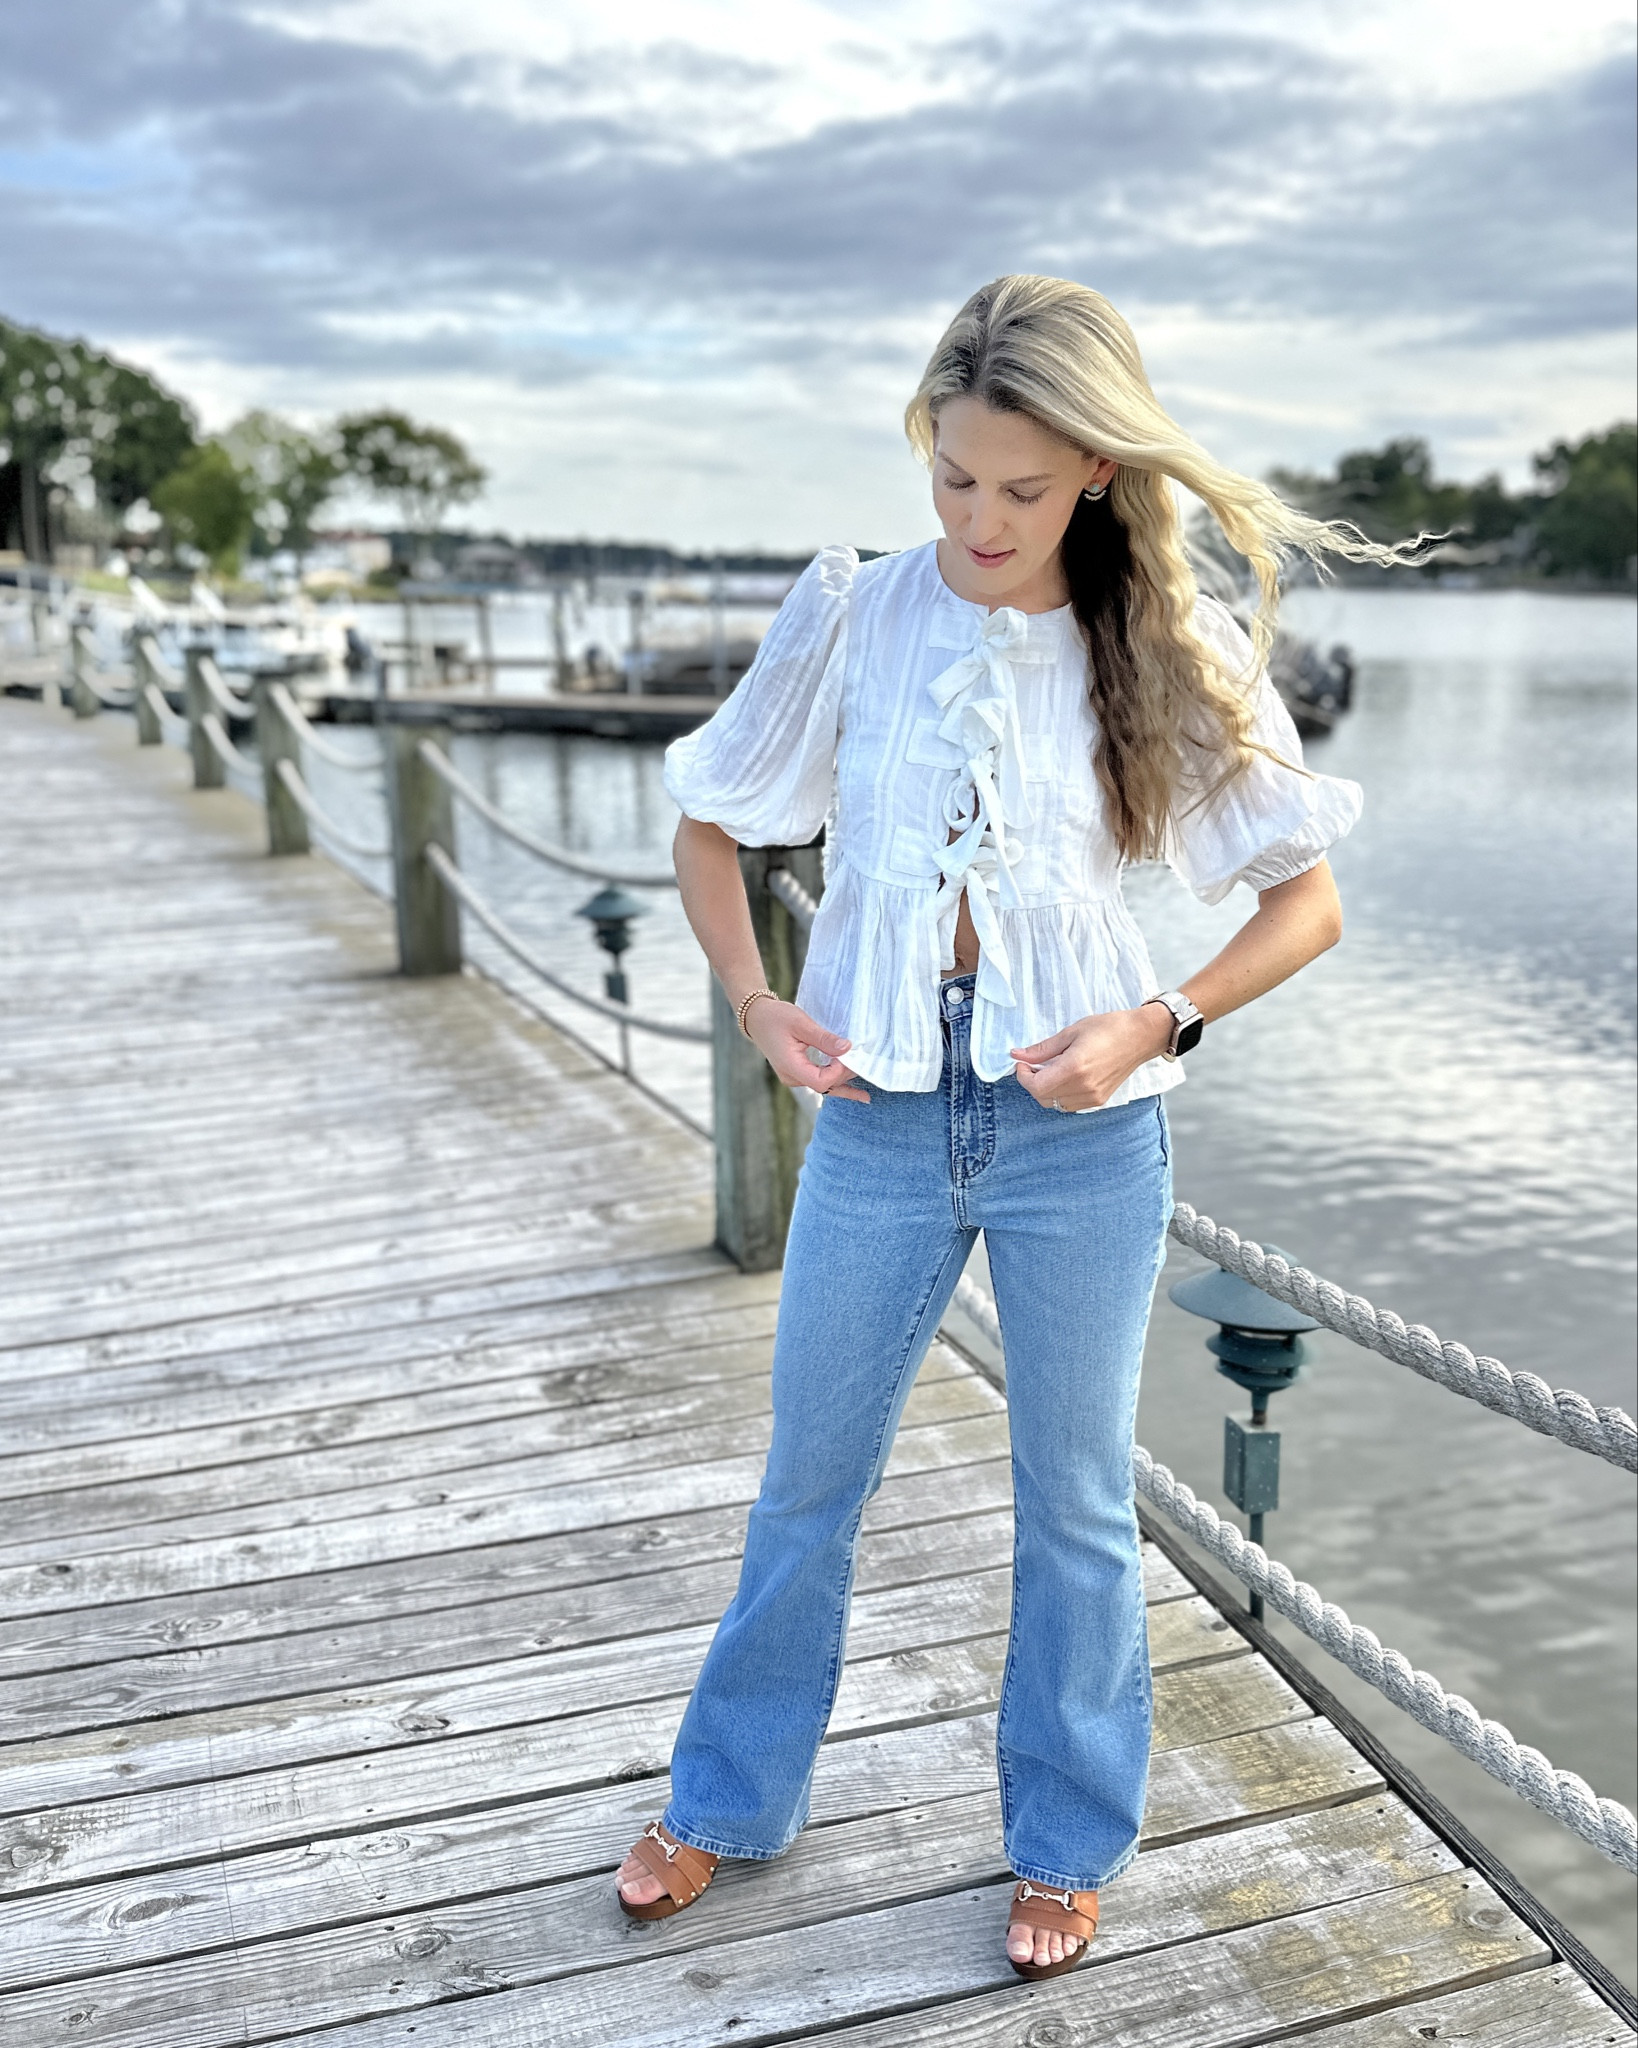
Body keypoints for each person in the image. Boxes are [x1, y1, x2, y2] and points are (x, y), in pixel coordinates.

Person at [615, 274, 1401, 1978]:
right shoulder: (858, 613)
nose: (978, 519)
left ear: (1097, 473)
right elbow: (710, 824)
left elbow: (1306, 904)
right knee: (806, 1485)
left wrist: (1155, 1018)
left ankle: (1063, 1840)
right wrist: (757, 1003)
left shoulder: (1162, 646)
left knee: (1074, 1506)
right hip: (881, 1117)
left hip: (1081, 1135)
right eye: (952, 475)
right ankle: (726, 1799)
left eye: (1020, 488)